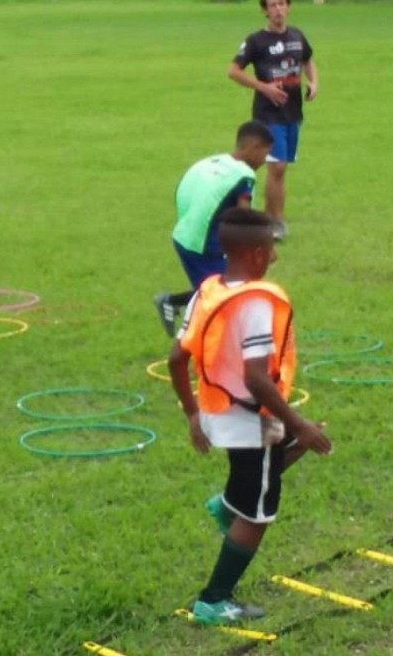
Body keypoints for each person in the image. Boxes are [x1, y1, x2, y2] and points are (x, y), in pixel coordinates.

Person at [167, 207, 331, 625]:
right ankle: (213, 600)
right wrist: (300, 423)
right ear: (257, 252)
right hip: (247, 419)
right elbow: (257, 380)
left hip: (219, 412)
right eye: (272, 249)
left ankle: (228, 505)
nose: (275, 258)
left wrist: (191, 417)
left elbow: (175, 358)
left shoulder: (209, 289)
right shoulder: (255, 303)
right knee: (259, 513)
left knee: (283, 452)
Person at [153, 121, 274, 337]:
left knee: (220, 291)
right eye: (265, 155)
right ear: (254, 148)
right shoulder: (244, 175)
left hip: (184, 236)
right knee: (227, 297)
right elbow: (242, 216)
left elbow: (184, 190)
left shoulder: (211, 162)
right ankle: (189, 341)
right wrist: (265, 246)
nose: (264, 162)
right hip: (204, 246)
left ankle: (173, 306)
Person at [228, 0, 318, 241]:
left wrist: (313, 83)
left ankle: (272, 218)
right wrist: (263, 87)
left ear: (288, 7)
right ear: (265, 11)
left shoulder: (297, 36)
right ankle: (272, 222)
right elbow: (233, 71)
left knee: (281, 168)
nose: (278, 10)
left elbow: (308, 60)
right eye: (272, 5)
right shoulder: (256, 41)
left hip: (293, 112)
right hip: (268, 114)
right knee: (276, 167)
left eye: (281, 4)